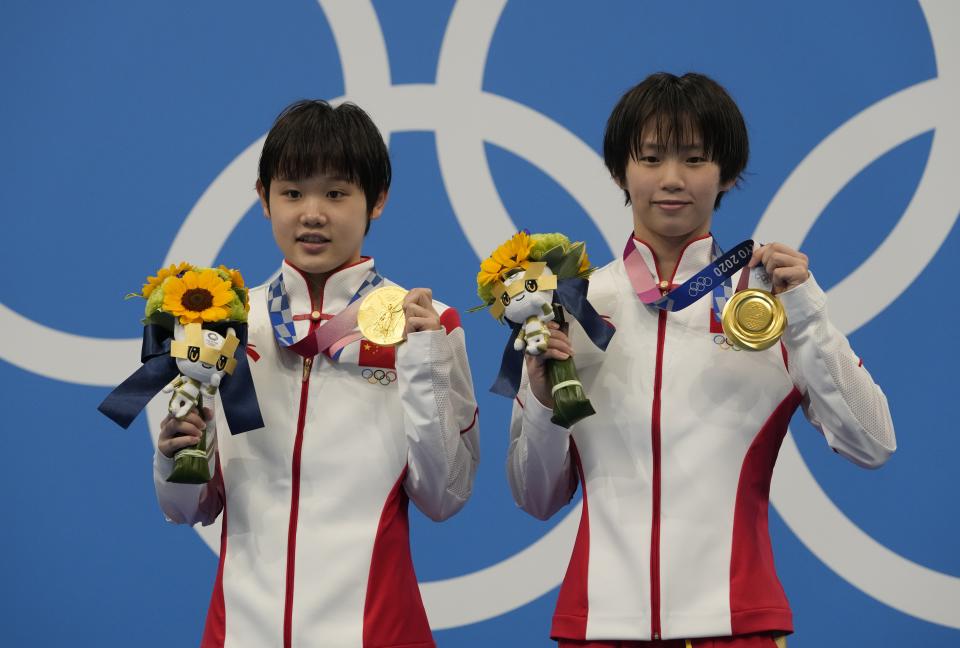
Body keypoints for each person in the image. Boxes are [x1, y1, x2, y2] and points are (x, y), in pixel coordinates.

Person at [507, 72, 895, 648]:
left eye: (694, 159)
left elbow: (873, 443)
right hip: (599, 627)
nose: (671, 180)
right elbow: (534, 497)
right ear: (620, 171)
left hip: (736, 626)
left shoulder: (769, 301)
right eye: (651, 158)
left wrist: (810, 317)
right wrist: (540, 397)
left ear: (727, 174)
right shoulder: (571, 307)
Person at [155, 100, 480, 648]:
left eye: (336, 193)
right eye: (292, 193)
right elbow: (187, 507)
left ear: (377, 200)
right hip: (239, 633)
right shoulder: (220, 322)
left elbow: (444, 496)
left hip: (376, 632)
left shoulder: (427, 323)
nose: (312, 213)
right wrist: (173, 454)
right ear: (263, 199)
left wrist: (422, 364)